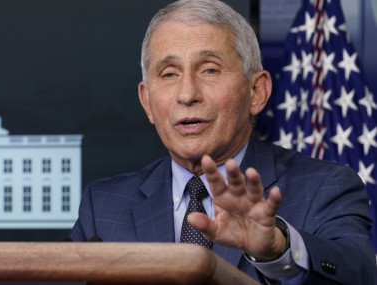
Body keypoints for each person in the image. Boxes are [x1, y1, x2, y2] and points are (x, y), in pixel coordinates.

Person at [69, 0, 377, 283]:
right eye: (169, 73)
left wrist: (277, 249)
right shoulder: (104, 206)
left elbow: (360, 272)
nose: (187, 94)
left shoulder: (325, 186)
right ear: (147, 102)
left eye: (210, 69)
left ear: (257, 92)